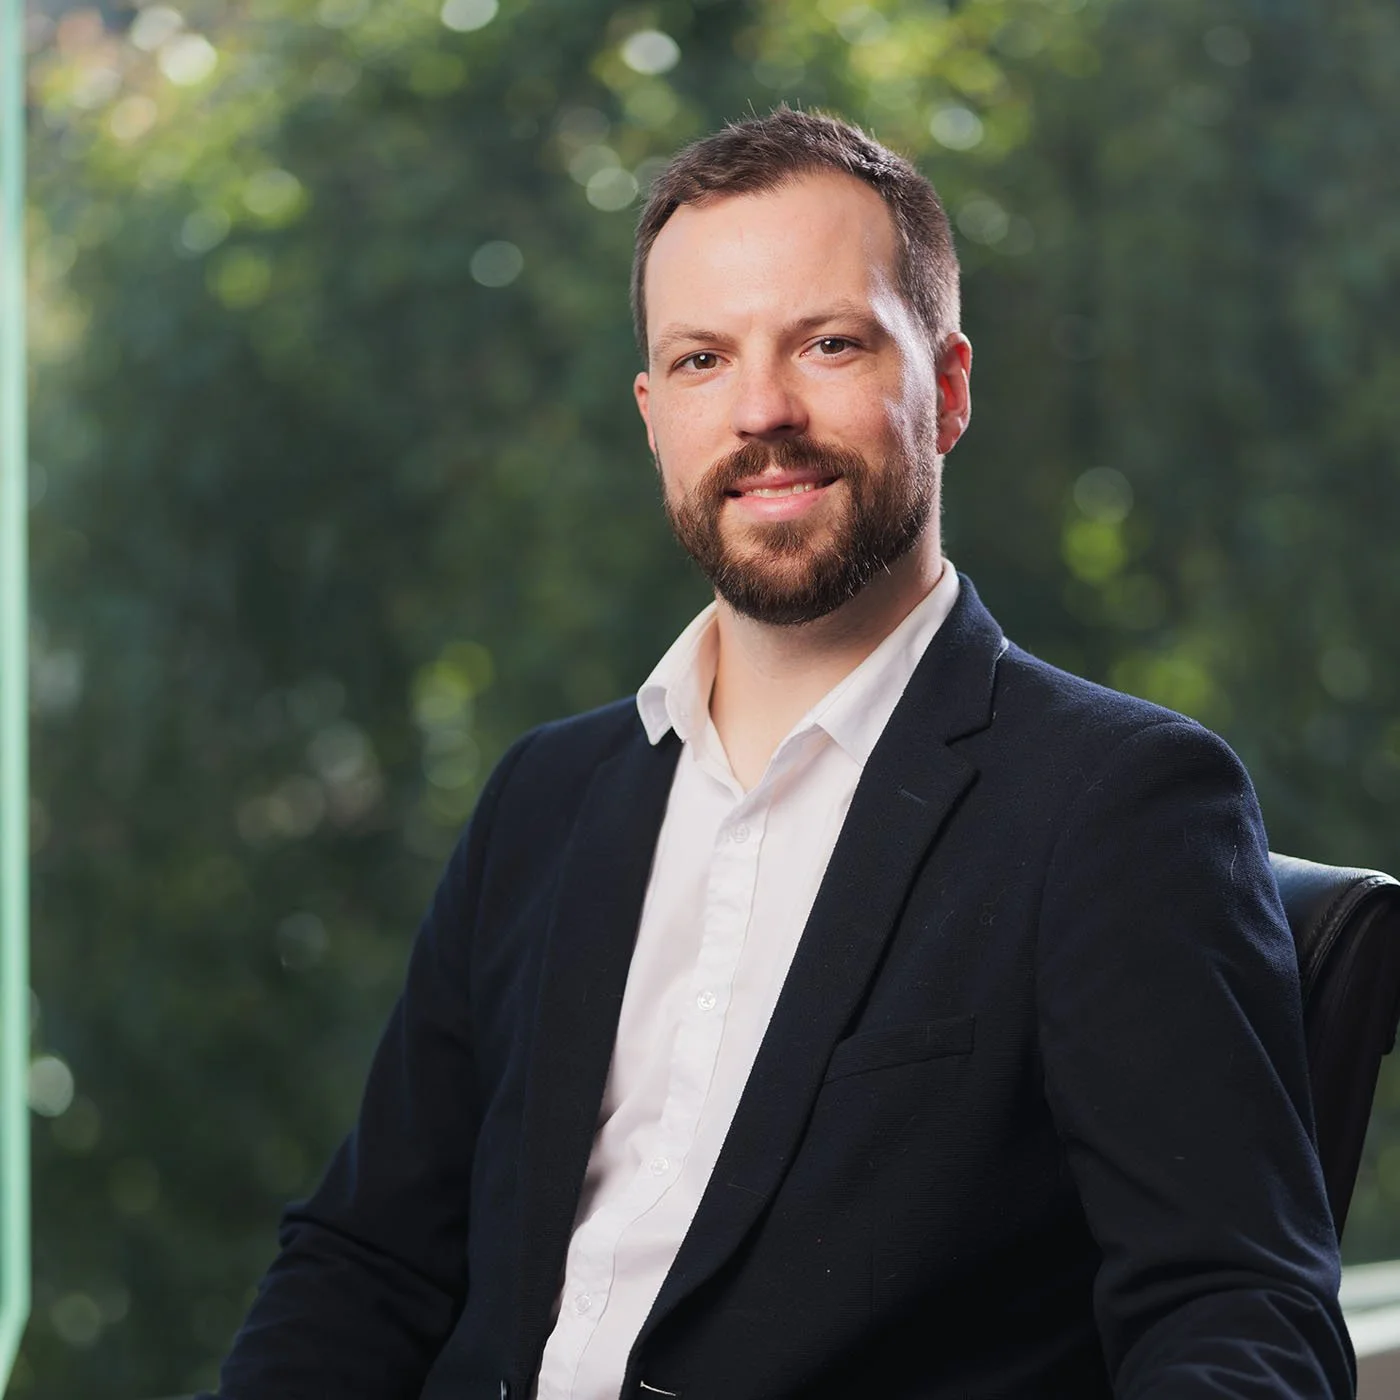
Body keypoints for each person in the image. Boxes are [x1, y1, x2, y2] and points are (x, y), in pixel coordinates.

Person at [207, 108, 1354, 1399]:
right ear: (653, 416)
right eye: (702, 360)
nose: (762, 411)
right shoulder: (545, 799)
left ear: (949, 389)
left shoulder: (1120, 805)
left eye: (828, 343)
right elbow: (365, 1264)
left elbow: (1236, 1314)